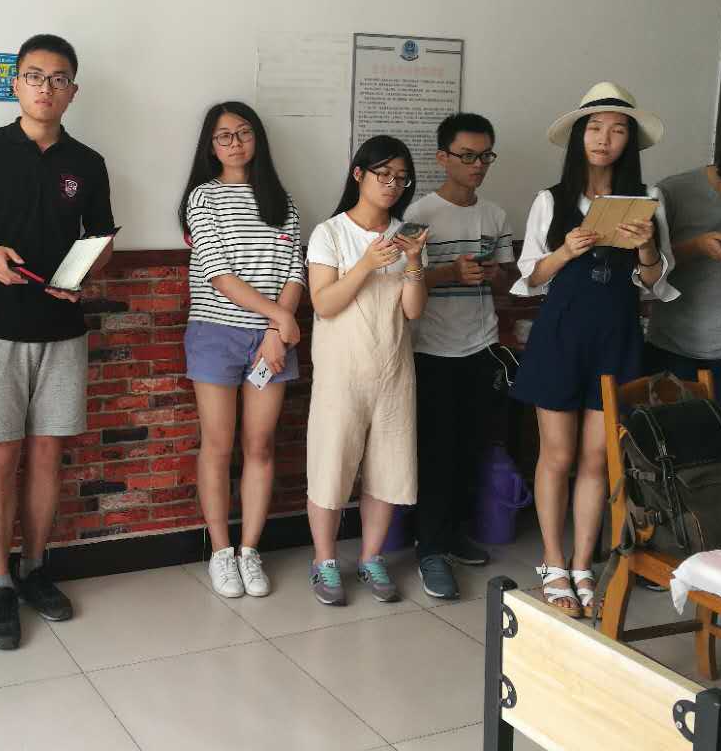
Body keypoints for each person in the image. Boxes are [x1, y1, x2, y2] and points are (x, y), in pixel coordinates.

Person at [0, 33, 114, 650]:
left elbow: (101, 239)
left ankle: (36, 568)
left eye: (58, 78)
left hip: (62, 330)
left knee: (46, 458)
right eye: (35, 76)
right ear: (15, 83)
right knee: (0, 460)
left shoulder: (88, 162)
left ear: (72, 91)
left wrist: (82, 275)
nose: (46, 88)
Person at [511, 82, 677, 618]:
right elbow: (531, 278)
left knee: (596, 457)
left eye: (617, 129)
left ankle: (583, 564)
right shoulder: (550, 200)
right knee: (556, 455)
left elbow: (655, 284)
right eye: (595, 128)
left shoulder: (649, 199)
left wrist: (646, 246)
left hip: (617, 334)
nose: (604, 138)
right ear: (579, 137)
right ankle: (553, 563)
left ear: (630, 141)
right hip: (560, 336)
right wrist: (566, 250)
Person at [177, 101, 305, 598]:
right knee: (218, 445)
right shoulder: (204, 197)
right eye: (224, 136)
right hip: (216, 332)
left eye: (243, 133)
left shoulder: (281, 199)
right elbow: (216, 272)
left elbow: (294, 270)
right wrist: (280, 318)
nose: (234, 143)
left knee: (260, 444)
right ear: (211, 146)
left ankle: (250, 551)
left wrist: (276, 328)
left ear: (257, 139)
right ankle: (220, 551)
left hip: (271, 338)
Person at [305, 136, 428, 606]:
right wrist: (366, 264)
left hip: (393, 367)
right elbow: (324, 303)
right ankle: (324, 560)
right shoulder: (330, 233)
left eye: (401, 178)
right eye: (384, 174)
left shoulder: (407, 234)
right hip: (342, 371)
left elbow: (414, 311)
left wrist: (413, 262)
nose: (392, 184)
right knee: (331, 466)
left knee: (388, 468)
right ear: (359, 174)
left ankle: (371, 556)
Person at [404, 113, 517, 600]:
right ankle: (428, 548)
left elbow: (509, 281)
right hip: (431, 348)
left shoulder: (494, 215)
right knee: (436, 451)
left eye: (485, 156)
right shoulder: (419, 213)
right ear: (443, 158)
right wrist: (450, 272)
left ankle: (452, 534)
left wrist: (494, 276)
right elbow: (402, 282)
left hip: (482, 345)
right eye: (467, 156)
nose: (478, 165)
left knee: (472, 445)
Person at [645, 147, 721, 398]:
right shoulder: (673, 192)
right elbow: (647, 268)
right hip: (674, 345)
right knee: (671, 422)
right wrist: (698, 247)